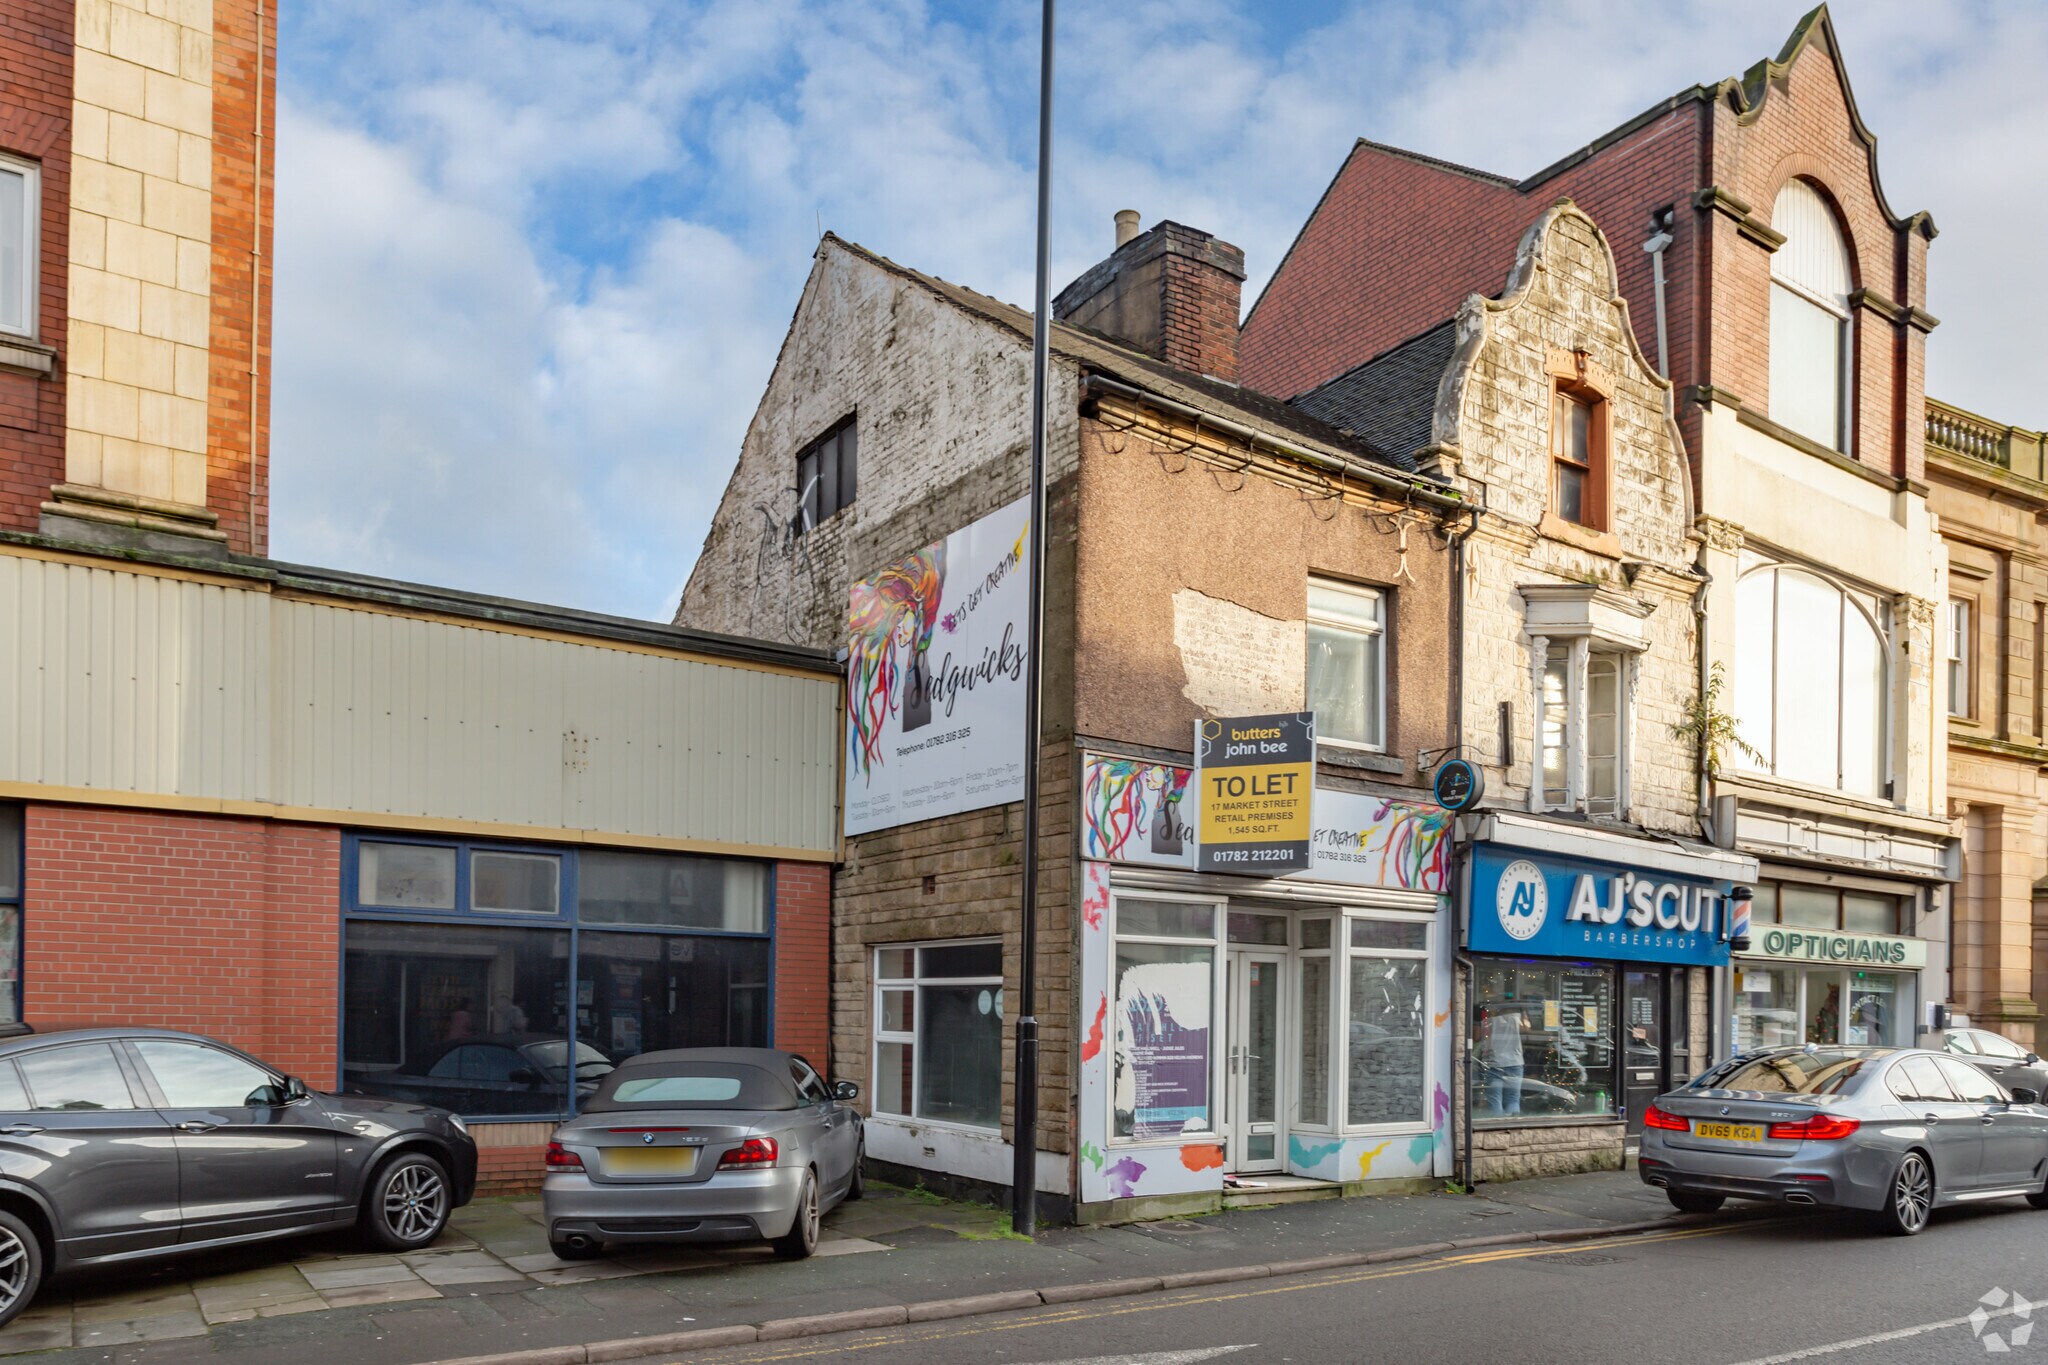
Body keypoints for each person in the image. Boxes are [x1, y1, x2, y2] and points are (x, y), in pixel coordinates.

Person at [1485, 1005, 1525, 1117]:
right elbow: (1527, 1030)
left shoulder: (1492, 1020)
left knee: (1495, 1099)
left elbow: (1483, 1038)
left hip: (1495, 1062)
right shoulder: (1518, 1018)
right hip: (1515, 1062)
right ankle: (1513, 1127)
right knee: (1513, 1098)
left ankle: (1496, 1127)